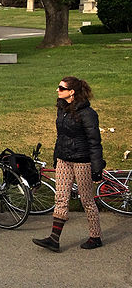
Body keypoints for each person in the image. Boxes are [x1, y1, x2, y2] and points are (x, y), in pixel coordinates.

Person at [33, 77, 104, 252]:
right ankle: (54, 239)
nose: (57, 91)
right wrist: (57, 157)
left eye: (61, 88)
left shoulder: (88, 114)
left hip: (82, 161)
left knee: (87, 200)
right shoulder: (62, 110)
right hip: (64, 160)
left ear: (72, 92)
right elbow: (61, 137)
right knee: (61, 199)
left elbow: (94, 142)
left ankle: (95, 237)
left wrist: (96, 168)